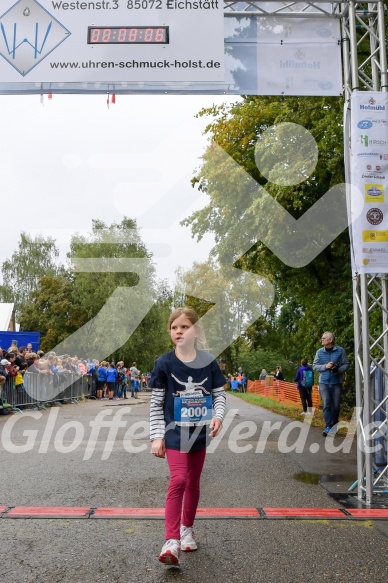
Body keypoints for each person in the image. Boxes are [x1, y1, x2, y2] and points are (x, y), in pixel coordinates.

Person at [149, 307, 226, 566]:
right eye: (174, 328)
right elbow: (156, 404)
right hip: (174, 432)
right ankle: (171, 540)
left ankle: (186, 529)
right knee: (179, 479)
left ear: (196, 331)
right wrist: (157, 436)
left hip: (200, 432)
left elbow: (219, 394)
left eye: (184, 327)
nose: (179, 331)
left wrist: (219, 416)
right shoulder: (164, 363)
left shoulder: (208, 361)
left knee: (193, 482)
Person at [313, 331, 350, 437]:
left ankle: (334, 426)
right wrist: (325, 366)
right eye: (322, 338)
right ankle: (329, 426)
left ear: (330, 340)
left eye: (324, 338)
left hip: (336, 382)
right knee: (326, 404)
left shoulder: (340, 351)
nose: (322, 339)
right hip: (324, 382)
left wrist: (339, 370)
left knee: (336, 406)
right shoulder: (319, 352)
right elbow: (315, 366)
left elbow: (346, 363)